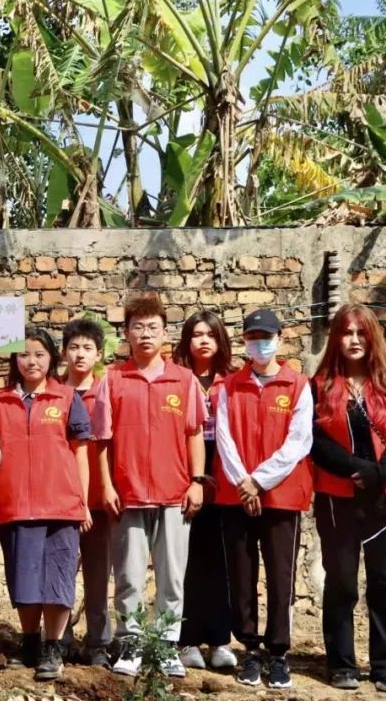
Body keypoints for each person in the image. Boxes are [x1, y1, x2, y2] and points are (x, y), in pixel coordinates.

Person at [311, 304, 386, 695]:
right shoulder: (320, 384)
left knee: (385, 583)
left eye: (361, 332)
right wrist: (355, 468)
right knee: (341, 583)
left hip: (384, 498)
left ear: (372, 337)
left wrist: (378, 473)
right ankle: (341, 664)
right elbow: (315, 441)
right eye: (346, 332)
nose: (354, 340)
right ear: (336, 338)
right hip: (336, 497)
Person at [104, 295, 205, 679]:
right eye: (138, 327)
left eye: (152, 328)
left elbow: (194, 432)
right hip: (128, 493)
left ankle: (164, 645)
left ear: (165, 333)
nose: (145, 334)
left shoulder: (183, 379)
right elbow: (101, 440)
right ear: (126, 334)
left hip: (174, 493)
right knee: (129, 576)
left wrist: (197, 481)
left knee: (172, 577)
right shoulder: (114, 379)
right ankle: (130, 643)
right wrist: (106, 485)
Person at [215, 309, 314, 690]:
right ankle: (250, 649)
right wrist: (244, 482)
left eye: (266, 337)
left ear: (280, 338)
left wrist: (258, 481)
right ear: (244, 341)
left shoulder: (297, 385)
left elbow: (298, 442)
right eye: (253, 337)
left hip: (281, 496)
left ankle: (278, 653)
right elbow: (224, 438)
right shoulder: (229, 386)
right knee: (241, 576)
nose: (260, 344)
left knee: (280, 577)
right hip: (236, 494)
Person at [0, 326, 91, 682]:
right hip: (14, 504)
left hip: (61, 505)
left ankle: (53, 646)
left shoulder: (67, 397)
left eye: (39, 354)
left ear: (52, 358)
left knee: (58, 579)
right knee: (24, 579)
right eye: (23, 354)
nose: (31, 361)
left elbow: (80, 453)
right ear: (13, 359)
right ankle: (30, 641)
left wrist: (82, 501)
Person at [172, 311, 238, 671]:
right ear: (187, 341)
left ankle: (219, 640)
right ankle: (186, 640)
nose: (203, 341)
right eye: (196, 334)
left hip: (225, 470)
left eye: (210, 334)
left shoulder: (233, 380)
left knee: (220, 560)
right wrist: (193, 476)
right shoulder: (176, 378)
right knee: (188, 560)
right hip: (186, 470)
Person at [58, 319, 115, 668]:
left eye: (87, 348)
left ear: (99, 354)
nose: (80, 355)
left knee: (98, 577)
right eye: (74, 348)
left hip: (99, 500)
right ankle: (59, 639)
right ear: (64, 353)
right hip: (60, 502)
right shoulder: (53, 393)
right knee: (61, 574)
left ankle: (98, 643)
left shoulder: (106, 392)